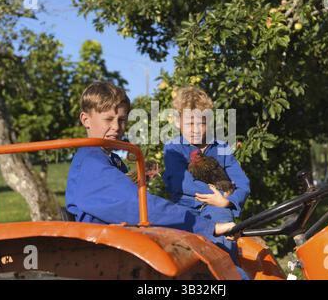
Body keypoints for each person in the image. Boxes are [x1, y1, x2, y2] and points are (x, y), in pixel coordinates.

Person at [64, 81, 237, 247]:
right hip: (105, 246)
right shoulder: (91, 163)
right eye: (108, 119)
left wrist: (204, 221)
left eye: (122, 120)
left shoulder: (111, 161)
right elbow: (138, 205)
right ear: (85, 120)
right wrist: (207, 227)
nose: (117, 127)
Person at [163, 86, 250, 259]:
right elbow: (181, 182)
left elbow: (242, 183)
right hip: (185, 208)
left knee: (223, 243)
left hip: (216, 207)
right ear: (178, 123)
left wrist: (227, 201)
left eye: (200, 123)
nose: (195, 129)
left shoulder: (222, 147)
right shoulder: (173, 148)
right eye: (189, 124)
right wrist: (217, 193)